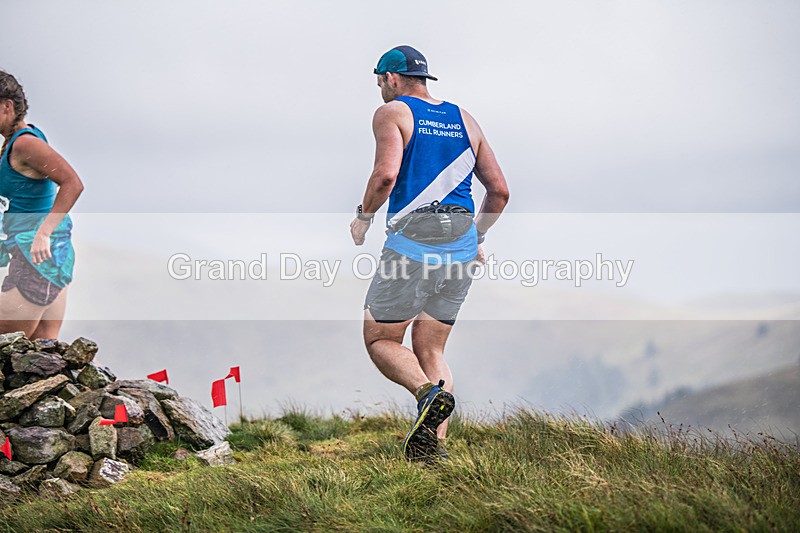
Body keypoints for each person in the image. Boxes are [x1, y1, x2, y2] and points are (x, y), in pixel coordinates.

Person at [350, 46, 509, 461]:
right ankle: (433, 448)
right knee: (432, 349)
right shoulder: (465, 119)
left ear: (392, 78)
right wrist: (476, 238)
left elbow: (385, 175)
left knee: (381, 338)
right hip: (460, 247)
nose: (381, 90)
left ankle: (425, 395)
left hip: (413, 242)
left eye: (379, 82)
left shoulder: (393, 113)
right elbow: (500, 192)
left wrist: (363, 218)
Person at [0, 71, 84, 340]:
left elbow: (72, 182)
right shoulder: (19, 141)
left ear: (6, 106)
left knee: (11, 344)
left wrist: (43, 232)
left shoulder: (25, 143)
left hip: (36, 258)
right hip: (53, 260)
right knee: (42, 352)